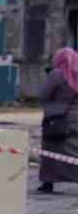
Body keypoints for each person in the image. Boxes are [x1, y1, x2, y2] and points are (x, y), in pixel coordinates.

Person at [38, 47, 78, 193]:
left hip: (56, 119)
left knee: (51, 151)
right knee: (74, 153)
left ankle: (48, 183)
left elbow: (43, 95)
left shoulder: (58, 74)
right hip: (75, 120)